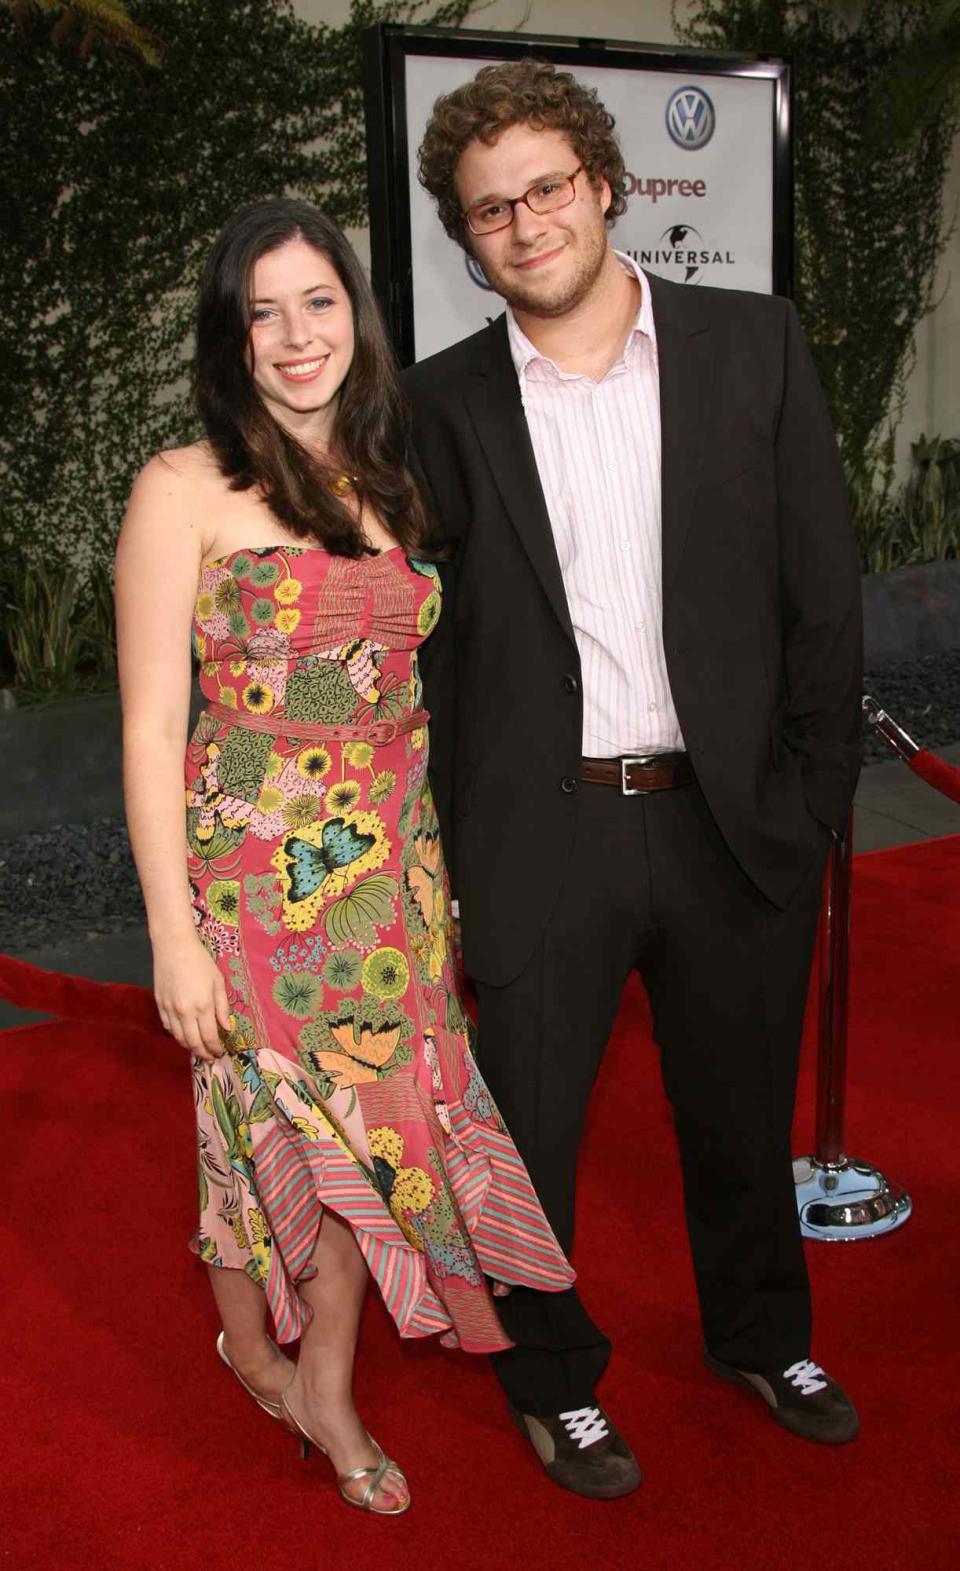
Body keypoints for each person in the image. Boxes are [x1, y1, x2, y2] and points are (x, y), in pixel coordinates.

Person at [407, 59, 864, 1499]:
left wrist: (809, 805)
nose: (527, 223)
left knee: (739, 1112)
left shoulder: (752, 345)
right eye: (491, 210)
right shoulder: (439, 405)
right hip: (546, 838)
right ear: (467, 241)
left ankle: (762, 1337)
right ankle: (555, 1384)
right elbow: (432, 648)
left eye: (547, 188)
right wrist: (448, 851)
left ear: (604, 186)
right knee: (528, 1142)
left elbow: (823, 592)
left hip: (734, 823)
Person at [115, 197, 573, 1518]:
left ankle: (314, 1374)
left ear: (357, 315)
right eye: (263, 312)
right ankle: (259, 1349)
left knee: (387, 1132)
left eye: (318, 301)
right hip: (256, 869)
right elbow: (151, 730)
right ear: (231, 337)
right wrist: (173, 934)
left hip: (395, 863)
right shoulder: (182, 488)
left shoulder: (398, 473)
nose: (296, 335)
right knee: (264, 1122)